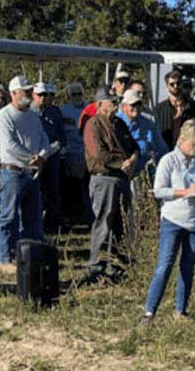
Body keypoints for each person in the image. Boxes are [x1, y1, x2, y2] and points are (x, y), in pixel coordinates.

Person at [140, 120, 195, 325]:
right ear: (184, 139)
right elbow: (159, 191)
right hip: (173, 219)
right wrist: (184, 192)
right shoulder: (168, 160)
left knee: (188, 267)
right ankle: (149, 312)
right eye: (194, 144)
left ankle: (181, 311)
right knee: (164, 265)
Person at [0, 76, 51, 273]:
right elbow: (9, 145)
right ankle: (4, 258)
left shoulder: (34, 116)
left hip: (32, 172)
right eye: (24, 91)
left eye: (29, 91)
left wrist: (42, 156)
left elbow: (44, 139)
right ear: (13, 93)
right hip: (13, 171)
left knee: (32, 217)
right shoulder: (4, 115)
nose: (28, 94)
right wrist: (32, 158)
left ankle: (29, 256)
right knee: (8, 215)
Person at [84, 87, 139, 278]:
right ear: (100, 105)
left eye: (117, 101)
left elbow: (134, 146)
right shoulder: (93, 124)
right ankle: (96, 264)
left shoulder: (120, 124)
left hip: (122, 178)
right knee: (104, 220)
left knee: (119, 223)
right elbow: (98, 153)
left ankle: (114, 262)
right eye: (112, 101)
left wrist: (132, 159)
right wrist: (120, 163)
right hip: (104, 178)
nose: (116, 105)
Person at [32, 82, 66, 232]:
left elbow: (61, 133)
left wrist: (57, 146)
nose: (44, 98)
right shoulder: (28, 112)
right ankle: (35, 221)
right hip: (34, 156)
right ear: (34, 95)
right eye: (40, 94)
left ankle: (53, 222)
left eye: (47, 95)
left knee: (53, 189)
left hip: (52, 156)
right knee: (34, 188)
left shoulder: (55, 111)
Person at [116, 89, 169, 179]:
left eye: (139, 104)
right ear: (124, 106)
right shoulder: (115, 122)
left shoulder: (148, 124)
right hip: (119, 174)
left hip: (141, 176)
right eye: (133, 104)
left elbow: (162, 150)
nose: (136, 107)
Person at [60, 82, 91, 224]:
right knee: (72, 185)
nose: (77, 97)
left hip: (88, 151)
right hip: (71, 152)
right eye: (74, 94)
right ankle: (73, 215)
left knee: (87, 185)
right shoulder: (63, 110)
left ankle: (87, 214)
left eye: (80, 93)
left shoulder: (90, 108)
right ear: (68, 95)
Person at [154, 70, 195, 148]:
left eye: (178, 83)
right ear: (167, 86)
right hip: (165, 150)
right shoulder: (159, 109)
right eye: (172, 84)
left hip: (189, 150)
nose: (175, 86)